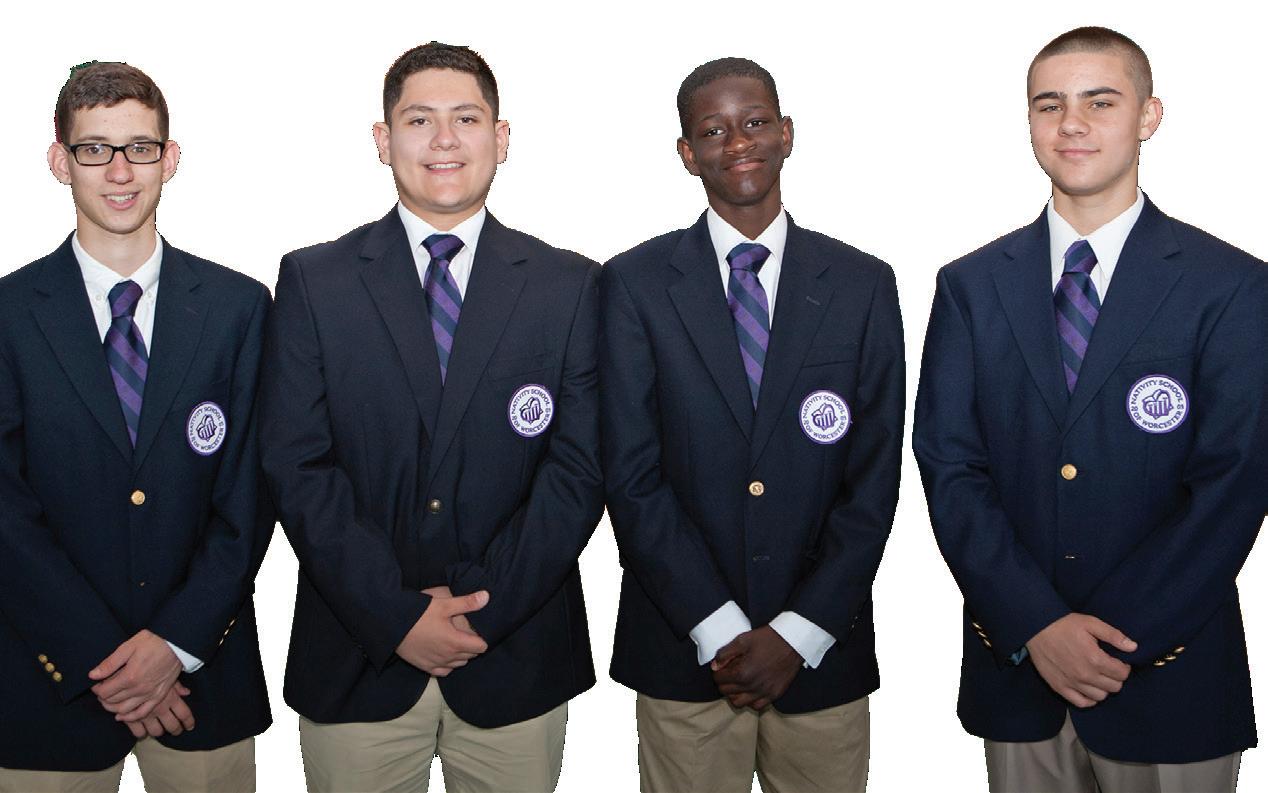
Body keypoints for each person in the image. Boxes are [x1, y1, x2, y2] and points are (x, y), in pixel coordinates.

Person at [913, 26, 1268, 793]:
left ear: (1148, 116)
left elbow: (1235, 481)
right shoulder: (970, 286)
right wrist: (1038, 624)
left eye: (1100, 102)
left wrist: (1112, 641)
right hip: (1020, 672)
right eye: (1050, 105)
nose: (1071, 123)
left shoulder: (1232, 285)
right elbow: (950, 466)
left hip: (1171, 676)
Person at [260, 42, 604, 793]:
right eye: (419, 120)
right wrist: (394, 615)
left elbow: (578, 473)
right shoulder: (314, 281)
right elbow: (296, 465)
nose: (444, 140)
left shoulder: (570, 285)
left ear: (501, 138)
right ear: (383, 140)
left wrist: (485, 610)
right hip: (358, 658)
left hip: (515, 656)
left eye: (466, 119)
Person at [600, 57, 905, 793]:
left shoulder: (862, 283)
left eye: (755, 122)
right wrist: (718, 628)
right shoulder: (632, 284)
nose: (738, 141)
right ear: (687, 153)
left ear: (787, 133)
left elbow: (873, 479)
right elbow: (631, 476)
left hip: (822, 657)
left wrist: (798, 632)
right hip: (685, 654)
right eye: (713, 130)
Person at [0, 61, 273, 792]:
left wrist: (173, 646)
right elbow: (5, 513)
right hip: (45, 682)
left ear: (169, 158)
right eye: (94, 148)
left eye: (139, 148)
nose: (119, 171)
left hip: (202, 680)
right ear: (60, 160)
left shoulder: (240, 309)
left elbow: (249, 501)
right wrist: (108, 661)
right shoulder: (8, 314)